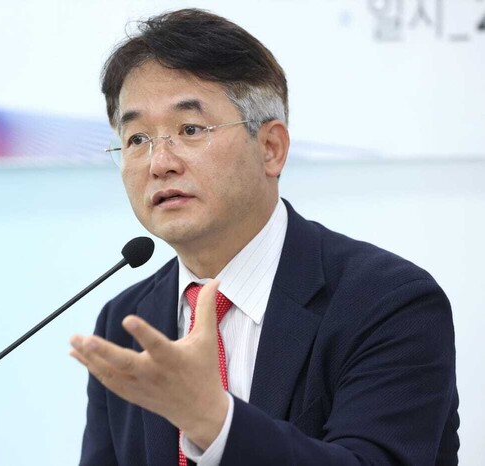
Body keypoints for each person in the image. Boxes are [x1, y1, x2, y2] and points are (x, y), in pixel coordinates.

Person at [69, 8, 459, 466]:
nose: (160, 163)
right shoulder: (126, 321)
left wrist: (214, 421)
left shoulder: (389, 302)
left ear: (271, 148)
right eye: (137, 139)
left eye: (189, 130)